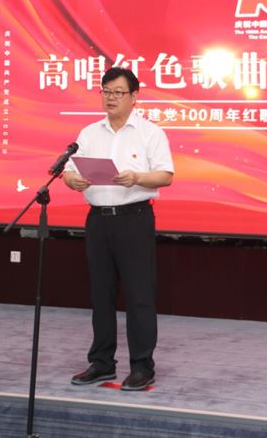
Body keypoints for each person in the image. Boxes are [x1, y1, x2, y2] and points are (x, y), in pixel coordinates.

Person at [63, 66, 174, 391]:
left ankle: (142, 366)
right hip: (98, 220)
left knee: (139, 296)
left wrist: (137, 177)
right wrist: (73, 181)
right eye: (106, 92)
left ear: (134, 96)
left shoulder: (150, 133)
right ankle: (101, 363)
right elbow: (68, 171)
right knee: (101, 294)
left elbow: (166, 175)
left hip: (134, 219)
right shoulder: (89, 133)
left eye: (118, 92)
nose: (110, 98)